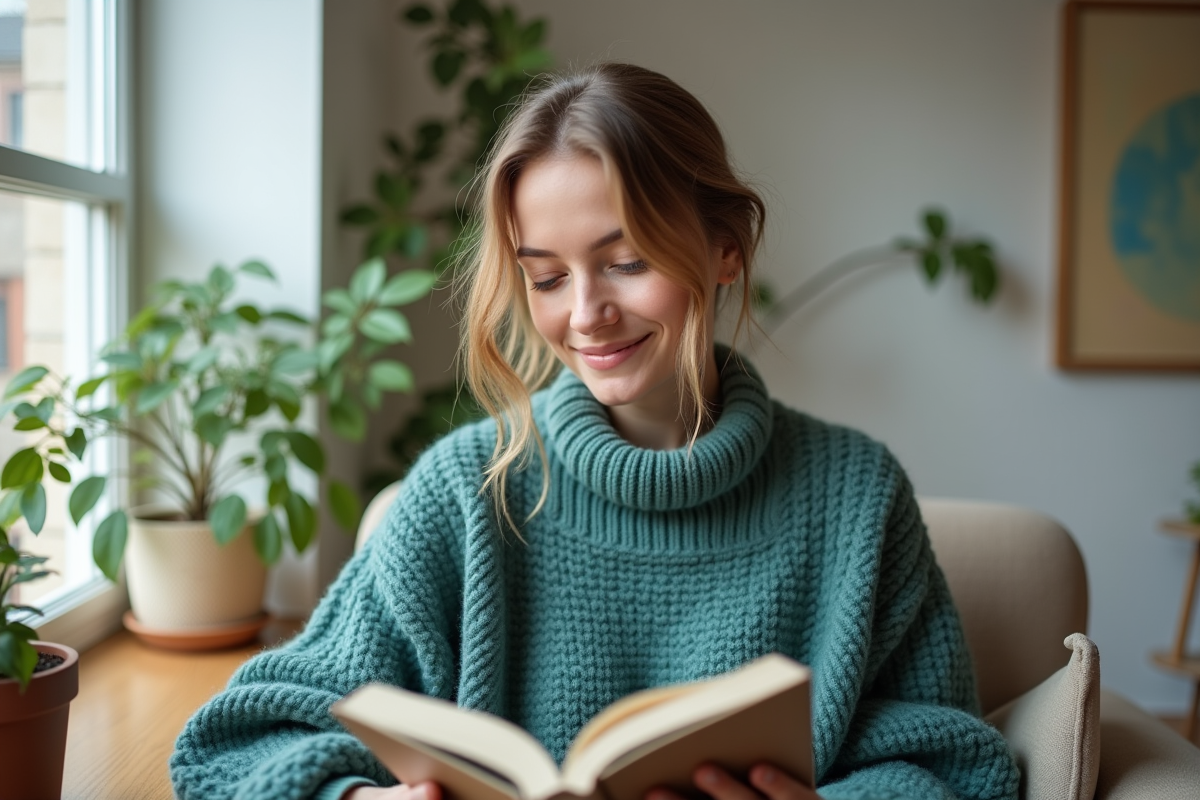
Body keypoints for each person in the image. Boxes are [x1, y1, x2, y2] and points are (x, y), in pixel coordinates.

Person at [170, 63, 1019, 800]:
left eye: (626, 262)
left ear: (727, 248)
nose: (586, 316)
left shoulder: (857, 498)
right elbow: (232, 745)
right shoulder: (465, 492)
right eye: (545, 277)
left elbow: (960, 769)